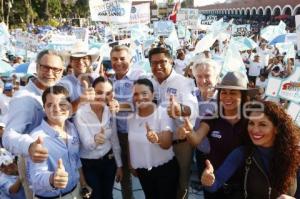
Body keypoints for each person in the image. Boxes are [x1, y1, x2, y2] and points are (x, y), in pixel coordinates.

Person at [201, 100, 300, 199]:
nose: (255, 130)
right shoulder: (242, 153)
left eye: (262, 124)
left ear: (277, 128)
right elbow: (215, 183)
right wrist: (209, 181)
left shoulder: (295, 155)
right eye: (251, 123)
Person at [2, 49, 65, 199]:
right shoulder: (24, 98)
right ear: (37, 67)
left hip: (58, 161)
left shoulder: (57, 91)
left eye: (55, 69)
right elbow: (8, 136)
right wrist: (30, 146)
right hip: (35, 164)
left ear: (62, 71)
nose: (50, 72)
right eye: (45, 67)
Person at [179, 71, 251, 199]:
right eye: (224, 92)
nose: (227, 97)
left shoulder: (251, 120)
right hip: (213, 181)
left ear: (243, 95)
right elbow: (196, 140)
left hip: (243, 186)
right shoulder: (212, 117)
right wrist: (189, 131)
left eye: (233, 92)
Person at [148, 47, 198, 199]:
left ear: (171, 62)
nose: (158, 66)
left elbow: (193, 109)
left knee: (181, 186)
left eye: (163, 62)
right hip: (158, 143)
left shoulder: (184, 82)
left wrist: (180, 110)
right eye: (154, 63)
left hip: (180, 144)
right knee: (163, 184)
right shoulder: (150, 83)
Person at [27, 85, 89, 199]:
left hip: (76, 191)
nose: (56, 109)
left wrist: (83, 184)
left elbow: (75, 159)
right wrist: (52, 179)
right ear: (44, 108)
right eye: (50, 105)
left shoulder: (72, 128)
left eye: (62, 104)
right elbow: (35, 177)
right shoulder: (37, 138)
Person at [128, 78, 179, 199]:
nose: (140, 97)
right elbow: (130, 143)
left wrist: (157, 138)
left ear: (153, 95)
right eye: (136, 94)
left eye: (144, 93)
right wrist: (131, 165)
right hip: (143, 172)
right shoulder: (131, 118)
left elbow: (166, 144)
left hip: (165, 171)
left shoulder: (163, 114)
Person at [74, 76, 123, 199]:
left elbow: (114, 139)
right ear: (92, 91)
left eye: (108, 93)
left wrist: (119, 165)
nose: (103, 97)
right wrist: (96, 139)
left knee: (108, 195)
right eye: (99, 92)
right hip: (89, 165)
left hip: (109, 162)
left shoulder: (110, 110)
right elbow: (87, 144)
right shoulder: (80, 113)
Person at [110, 45, 143, 199]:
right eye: (115, 59)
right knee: (123, 176)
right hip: (117, 135)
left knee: (140, 171)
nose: (118, 62)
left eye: (122, 58)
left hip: (137, 135)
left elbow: (143, 103)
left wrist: (118, 105)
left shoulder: (140, 78)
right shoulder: (109, 81)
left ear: (130, 59)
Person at [190, 59, 219, 181]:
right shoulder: (190, 96)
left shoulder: (224, 99)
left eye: (207, 76)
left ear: (217, 77)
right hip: (201, 153)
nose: (202, 80)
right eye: (199, 76)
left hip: (221, 155)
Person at [59, 41, 99, 111]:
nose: (80, 62)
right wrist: (81, 100)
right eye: (76, 58)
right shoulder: (64, 84)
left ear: (90, 61)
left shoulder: (97, 78)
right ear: (71, 62)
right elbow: (62, 111)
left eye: (84, 58)